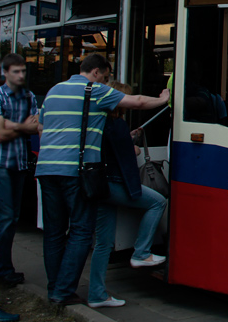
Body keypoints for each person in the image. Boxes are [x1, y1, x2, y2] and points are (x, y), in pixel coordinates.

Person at [35, 53, 168, 306]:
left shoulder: (54, 90)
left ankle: (55, 289)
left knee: (54, 234)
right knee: (81, 232)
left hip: (46, 169)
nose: (105, 81)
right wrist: (164, 99)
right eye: (105, 76)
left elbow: (41, 128)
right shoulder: (94, 90)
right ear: (96, 72)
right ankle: (62, 292)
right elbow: (137, 101)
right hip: (75, 170)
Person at [87, 81, 167, 309]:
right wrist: (135, 145)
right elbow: (130, 152)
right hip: (114, 185)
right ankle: (141, 252)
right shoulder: (117, 124)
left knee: (103, 244)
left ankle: (96, 294)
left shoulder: (100, 121)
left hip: (100, 187)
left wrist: (129, 136)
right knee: (157, 202)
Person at [0, 54, 41, 287]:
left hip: (21, 164)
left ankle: (3, 266)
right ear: (5, 73)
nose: (21, 75)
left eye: (23, 71)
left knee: (12, 218)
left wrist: (16, 126)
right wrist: (24, 126)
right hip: (1, 163)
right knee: (6, 218)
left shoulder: (29, 96)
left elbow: (36, 128)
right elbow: (1, 134)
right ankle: (3, 270)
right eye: (16, 71)